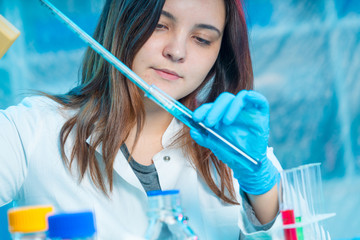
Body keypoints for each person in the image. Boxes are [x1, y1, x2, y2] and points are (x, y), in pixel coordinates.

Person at [0, 0, 282, 239]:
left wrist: (257, 180)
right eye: (160, 25)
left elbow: (298, 228)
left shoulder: (235, 148)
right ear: (122, 19)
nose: (177, 51)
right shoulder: (30, 131)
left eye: (202, 39)